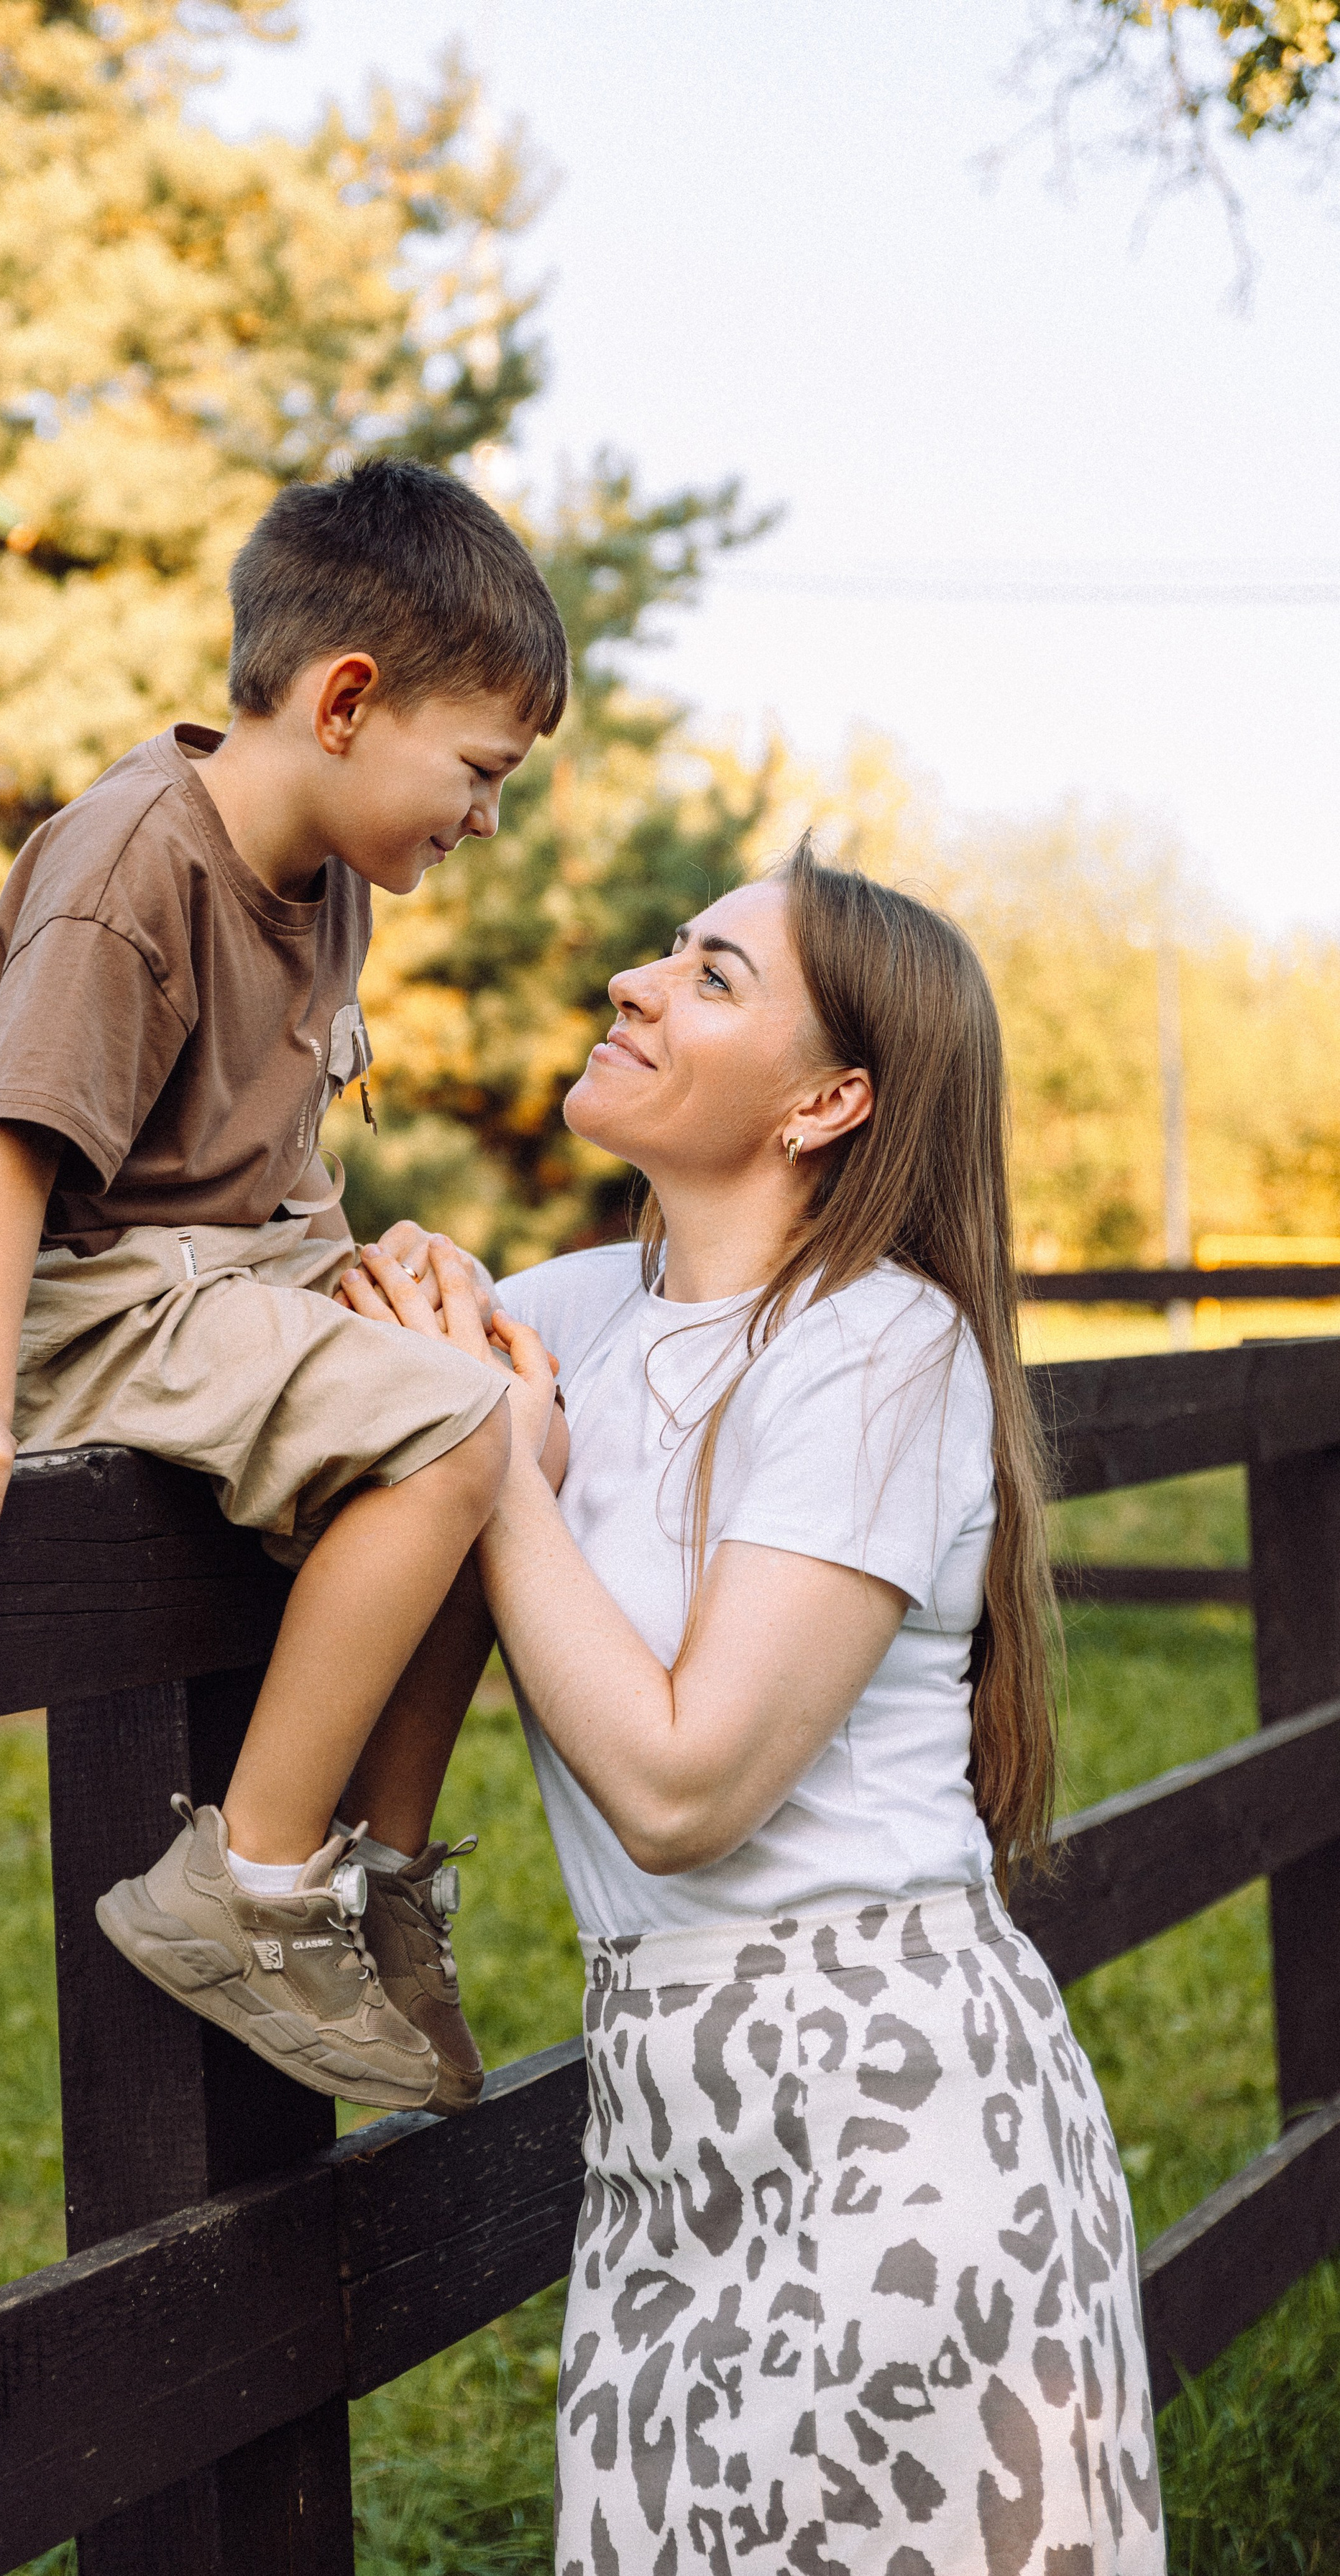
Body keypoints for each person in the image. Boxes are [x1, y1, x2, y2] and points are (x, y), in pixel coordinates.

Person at [336, 840, 1165, 2571]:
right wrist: (379, 1295)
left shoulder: (880, 1345)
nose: (636, 979)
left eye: (714, 976)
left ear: (825, 1101)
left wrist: (490, 1466)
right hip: (661, 2134)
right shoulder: (561, 1317)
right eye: (663, 948)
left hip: (897, 2116)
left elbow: (681, 1787)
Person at [0, 459, 570, 2120]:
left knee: (511, 1410)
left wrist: (359, 1256)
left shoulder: (327, 885)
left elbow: (257, 1151)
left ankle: (381, 1880)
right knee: (448, 1431)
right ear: (347, 700)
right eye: (477, 770)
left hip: (192, 1272)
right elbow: (9, 1150)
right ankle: (245, 1884)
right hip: (45, 1302)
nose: (481, 816)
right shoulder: (132, 867)